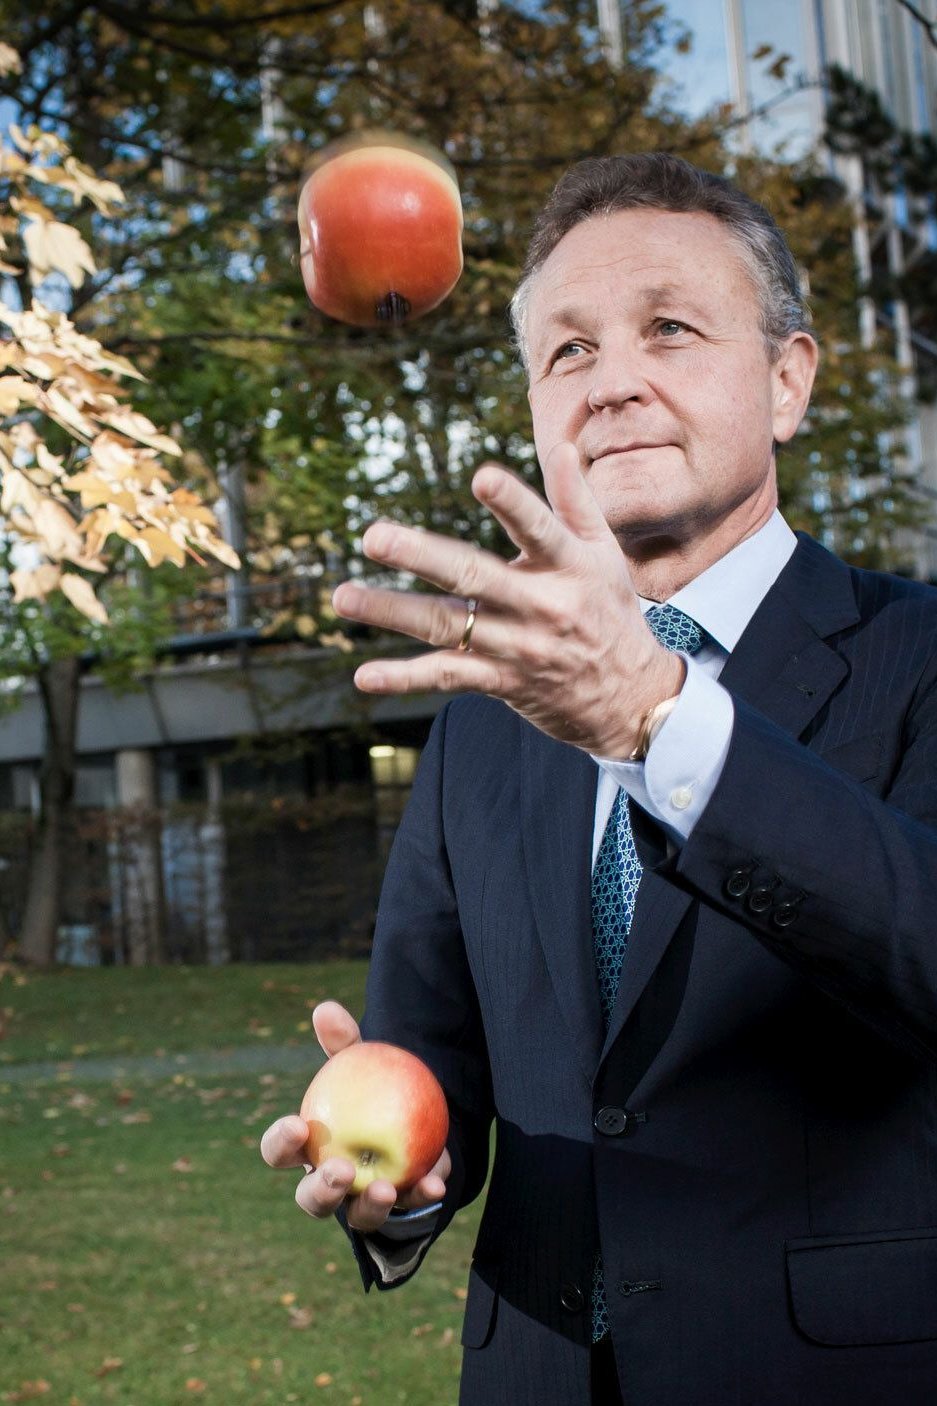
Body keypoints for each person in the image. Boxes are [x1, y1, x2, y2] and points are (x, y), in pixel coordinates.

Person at [261, 153, 937, 1405]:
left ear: (788, 381)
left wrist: (652, 716)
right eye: (566, 353)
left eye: (668, 329)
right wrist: (401, 1187)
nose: (612, 380)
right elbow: (432, 1059)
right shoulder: (482, 719)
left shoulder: (919, 650)